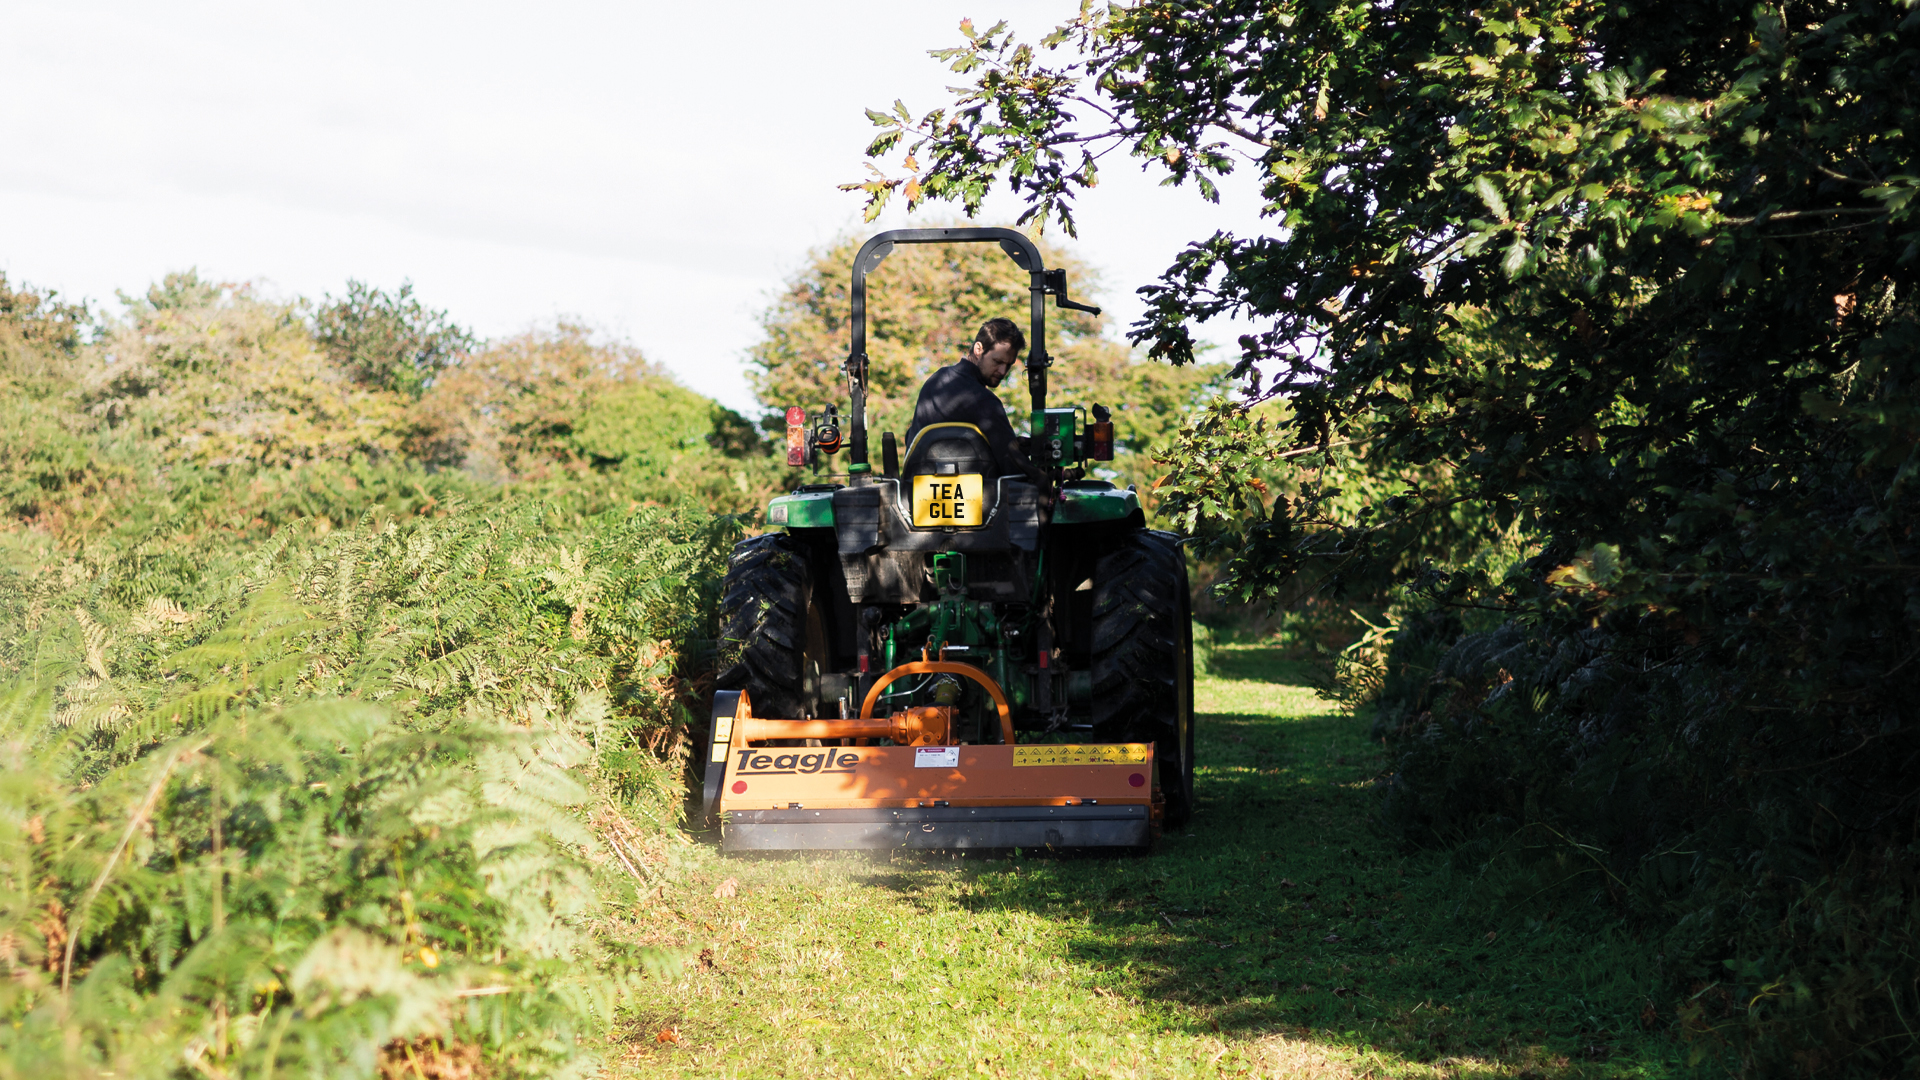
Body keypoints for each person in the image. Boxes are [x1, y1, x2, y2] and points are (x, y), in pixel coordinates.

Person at [901, 317, 1048, 486]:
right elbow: (1012, 468)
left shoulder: (935, 381)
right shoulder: (985, 402)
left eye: (1008, 365)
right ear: (979, 349)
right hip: (977, 503)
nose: (1002, 371)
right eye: (998, 361)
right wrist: (1042, 476)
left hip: (915, 490)